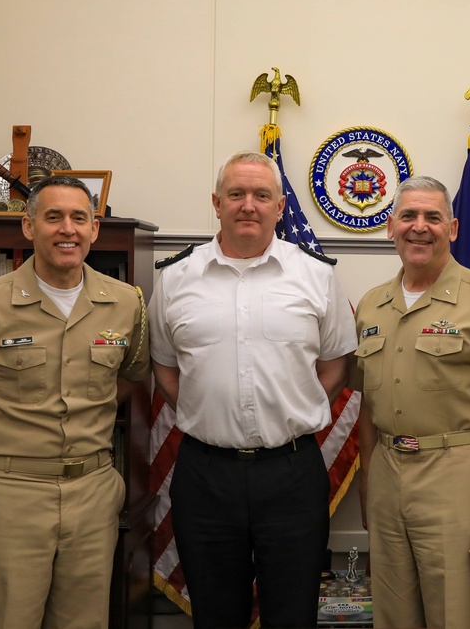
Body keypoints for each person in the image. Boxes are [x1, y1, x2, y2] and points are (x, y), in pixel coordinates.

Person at [0, 175, 150, 628]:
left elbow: (131, 376)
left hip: (93, 494)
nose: (67, 229)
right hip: (8, 496)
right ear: (28, 226)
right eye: (53, 217)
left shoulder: (125, 304)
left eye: (80, 218)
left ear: (95, 229)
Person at [148, 151, 357, 629]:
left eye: (261, 195)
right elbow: (165, 367)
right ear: (216, 203)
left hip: (291, 472)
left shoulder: (315, 275)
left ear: (280, 207)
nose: (248, 205)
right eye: (236, 194)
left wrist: (288, 412)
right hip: (205, 472)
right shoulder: (177, 276)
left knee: (293, 612)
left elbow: (335, 368)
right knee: (216, 613)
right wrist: (208, 412)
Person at [350, 175, 470, 629]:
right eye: (409, 216)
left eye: (432, 217)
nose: (420, 227)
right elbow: (368, 411)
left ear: (452, 228)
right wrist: (367, 487)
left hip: (460, 479)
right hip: (388, 480)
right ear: (390, 227)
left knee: (458, 617)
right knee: (393, 618)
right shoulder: (372, 306)